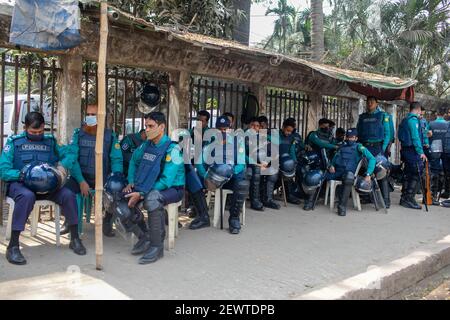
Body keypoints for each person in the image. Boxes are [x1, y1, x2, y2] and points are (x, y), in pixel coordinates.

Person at [0, 112, 86, 265]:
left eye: (40, 132)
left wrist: (62, 166)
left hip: (48, 186)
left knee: (68, 194)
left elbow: (70, 155)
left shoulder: (51, 142)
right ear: (25, 127)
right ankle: (13, 246)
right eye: (33, 132)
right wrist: (22, 174)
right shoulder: (14, 143)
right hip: (21, 185)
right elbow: (4, 170)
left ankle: (75, 238)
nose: (38, 135)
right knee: (27, 197)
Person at [123, 112, 185, 264]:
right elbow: (133, 162)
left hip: (172, 189)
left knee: (152, 199)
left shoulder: (174, 149)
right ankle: (144, 236)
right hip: (147, 185)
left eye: (151, 126)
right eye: (146, 126)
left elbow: (166, 181)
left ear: (162, 127)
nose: (147, 130)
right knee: (119, 198)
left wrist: (142, 194)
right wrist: (131, 181)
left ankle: (156, 247)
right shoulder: (146, 145)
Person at [64, 103, 123, 236]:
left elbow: (116, 160)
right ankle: (69, 221)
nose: (90, 117)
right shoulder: (78, 134)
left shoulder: (110, 136)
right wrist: (81, 181)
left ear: (101, 117)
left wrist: (115, 177)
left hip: (102, 178)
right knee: (65, 192)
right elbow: (72, 159)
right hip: (81, 177)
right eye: (88, 114)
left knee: (116, 190)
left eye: (94, 115)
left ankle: (107, 221)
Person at [196, 115, 249, 234]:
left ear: (230, 129)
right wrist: (206, 176)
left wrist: (230, 172)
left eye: (225, 129)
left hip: (230, 179)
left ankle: (234, 218)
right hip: (214, 179)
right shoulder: (211, 143)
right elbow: (199, 162)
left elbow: (241, 163)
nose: (223, 132)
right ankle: (200, 212)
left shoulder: (237, 143)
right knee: (196, 177)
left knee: (241, 183)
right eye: (220, 129)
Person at [326, 128, 376, 216]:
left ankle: (342, 207)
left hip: (348, 173)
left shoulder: (359, 147)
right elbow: (333, 159)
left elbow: (372, 159)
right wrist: (331, 166)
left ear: (356, 138)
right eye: (348, 137)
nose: (349, 139)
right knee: (316, 176)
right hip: (337, 172)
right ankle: (310, 202)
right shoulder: (342, 147)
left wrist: (368, 174)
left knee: (349, 177)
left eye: (352, 137)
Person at [356, 96, 392, 208]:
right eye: (368, 102)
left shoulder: (383, 116)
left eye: (372, 102)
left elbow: (387, 134)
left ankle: (386, 200)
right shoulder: (362, 117)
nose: (370, 103)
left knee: (381, 172)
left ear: (377, 103)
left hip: (378, 148)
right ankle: (367, 197)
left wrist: (383, 148)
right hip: (365, 147)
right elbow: (358, 132)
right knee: (365, 172)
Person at [398, 102, 427, 209]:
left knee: (408, 173)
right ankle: (409, 198)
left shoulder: (405, 120)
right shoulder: (413, 120)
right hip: (412, 150)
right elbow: (415, 137)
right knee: (416, 172)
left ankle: (404, 198)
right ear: (418, 110)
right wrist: (421, 152)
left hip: (405, 149)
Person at [274, 118, 301, 205]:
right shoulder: (275, 135)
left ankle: (289, 195)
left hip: (286, 162)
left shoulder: (292, 138)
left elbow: (292, 151)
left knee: (289, 169)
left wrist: (294, 162)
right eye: (287, 130)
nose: (288, 133)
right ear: (283, 127)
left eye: (290, 131)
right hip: (275, 161)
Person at [257, 115, 281, 209]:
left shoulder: (271, 133)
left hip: (270, 160)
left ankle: (268, 199)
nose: (262, 128)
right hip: (256, 161)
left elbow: (278, 142)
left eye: (264, 126)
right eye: (260, 126)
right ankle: (257, 198)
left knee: (273, 173)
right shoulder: (253, 134)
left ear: (267, 125)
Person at [428, 107, 449, 204]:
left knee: (434, 171)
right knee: (446, 171)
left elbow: (427, 136)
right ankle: (447, 192)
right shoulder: (448, 124)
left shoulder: (431, 124)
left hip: (435, 149)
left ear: (436, 114)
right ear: (445, 114)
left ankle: (433, 194)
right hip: (446, 150)